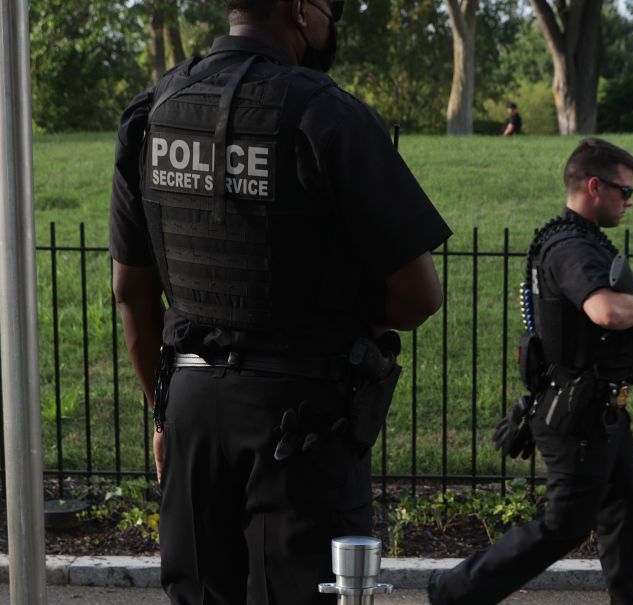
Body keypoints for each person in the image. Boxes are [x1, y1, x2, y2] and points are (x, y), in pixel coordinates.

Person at [109, 1, 452, 603]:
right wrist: (355, 315)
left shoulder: (153, 111)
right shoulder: (328, 114)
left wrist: (162, 415)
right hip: (302, 420)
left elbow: (131, 291)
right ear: (299, 9)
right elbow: (420, 294)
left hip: (191, 405)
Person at [428, 138, 633, 605]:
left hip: (601, 410)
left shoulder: (584, 242)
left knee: (625, 522)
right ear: (593, 186)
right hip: (577, 417)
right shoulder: (571, 248)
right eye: (624, 192)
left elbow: (592, 342)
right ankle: (454, 591)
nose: (630, 202)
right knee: (563, 526)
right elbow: (604, 312)